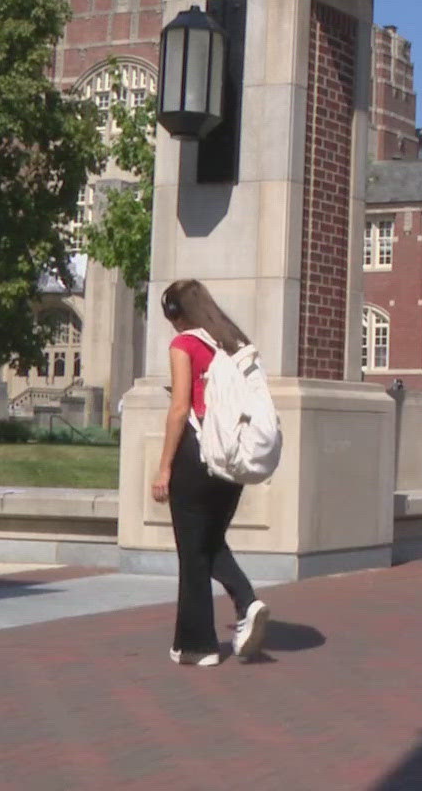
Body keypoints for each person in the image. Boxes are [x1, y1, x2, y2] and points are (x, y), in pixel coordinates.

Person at [150, 279, 269, 666]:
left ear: (175, 313)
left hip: (196, 453)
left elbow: (180, 409)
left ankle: (198, 646)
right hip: (232, 457)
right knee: (210, 542)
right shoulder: (232, 342)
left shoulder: (184, 345)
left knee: (193, 550)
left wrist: (164, 466)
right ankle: (245, 604)